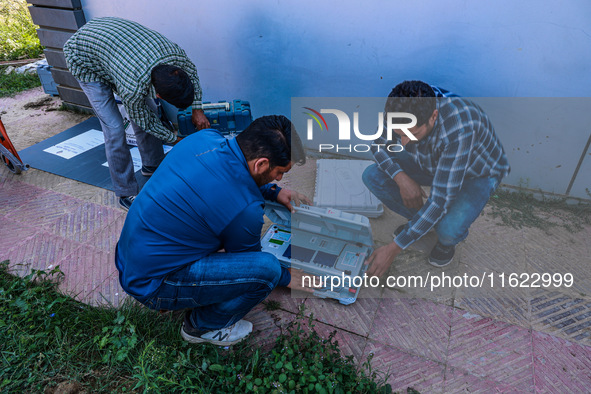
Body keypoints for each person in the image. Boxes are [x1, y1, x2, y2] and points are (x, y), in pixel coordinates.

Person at [115, 115, 311, 346]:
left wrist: (272, 190)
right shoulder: (246, 211)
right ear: (261, 164)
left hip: (129, 258)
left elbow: (233, 174)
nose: (279, 178)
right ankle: (203, 327)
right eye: (280, 172)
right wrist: (287, 277)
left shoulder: (204, 138)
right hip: (153, 285)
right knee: (267, 270)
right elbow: (248, 263)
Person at [363, 80, 510, 275]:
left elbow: (440, 200)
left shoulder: (460, 128)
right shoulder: (401, 106)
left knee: (447, 230)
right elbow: (378, 146)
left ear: (433, 117)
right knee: (373, 176)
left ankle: (442, 237)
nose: (404, 143)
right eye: (399, 134)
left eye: (412, 134)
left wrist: (394, 248)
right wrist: (401, 178)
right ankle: (424, 223)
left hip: (476, 173)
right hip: (434, 160)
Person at [63, 17, 210, 210]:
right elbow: (145, 121)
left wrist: (197, 109)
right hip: (84, 57)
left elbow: (193, 77)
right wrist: (175, 140)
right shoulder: (133, 86)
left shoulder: (178, 59)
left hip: (113, 46)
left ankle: (152, 164)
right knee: (115, 129)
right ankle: (125, 191)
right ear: (158, 94)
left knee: (146, 110)